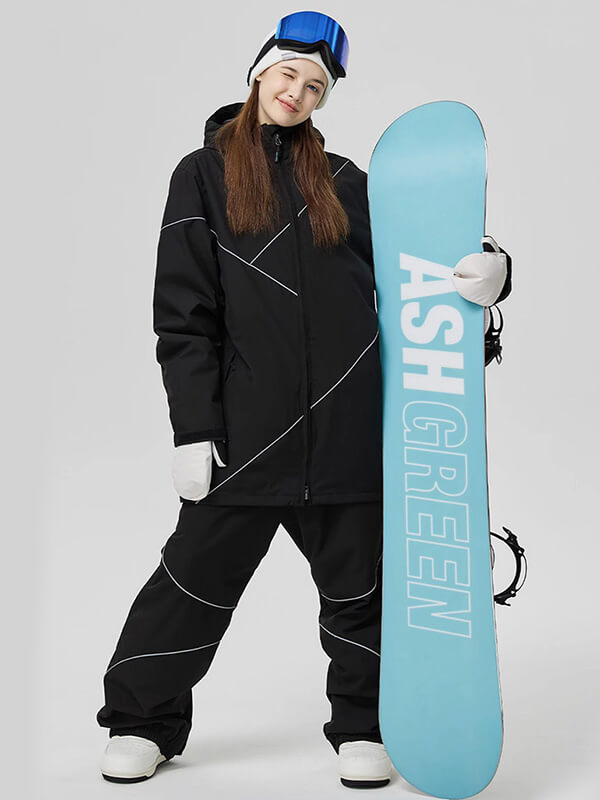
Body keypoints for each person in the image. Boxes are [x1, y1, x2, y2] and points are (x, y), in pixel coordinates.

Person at [96, 10, 512, 788]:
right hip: (248, 436)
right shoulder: (202, 175)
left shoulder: (348, 181)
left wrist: (490, 272)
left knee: (361, 595)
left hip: (350, 430)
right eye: (288, 74)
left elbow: (425, 265)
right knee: (190, 587)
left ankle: (366, 725)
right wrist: (193, 429)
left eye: (315, 86)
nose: (297, 92)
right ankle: (142, 721)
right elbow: (184, 315)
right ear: (260, 72)